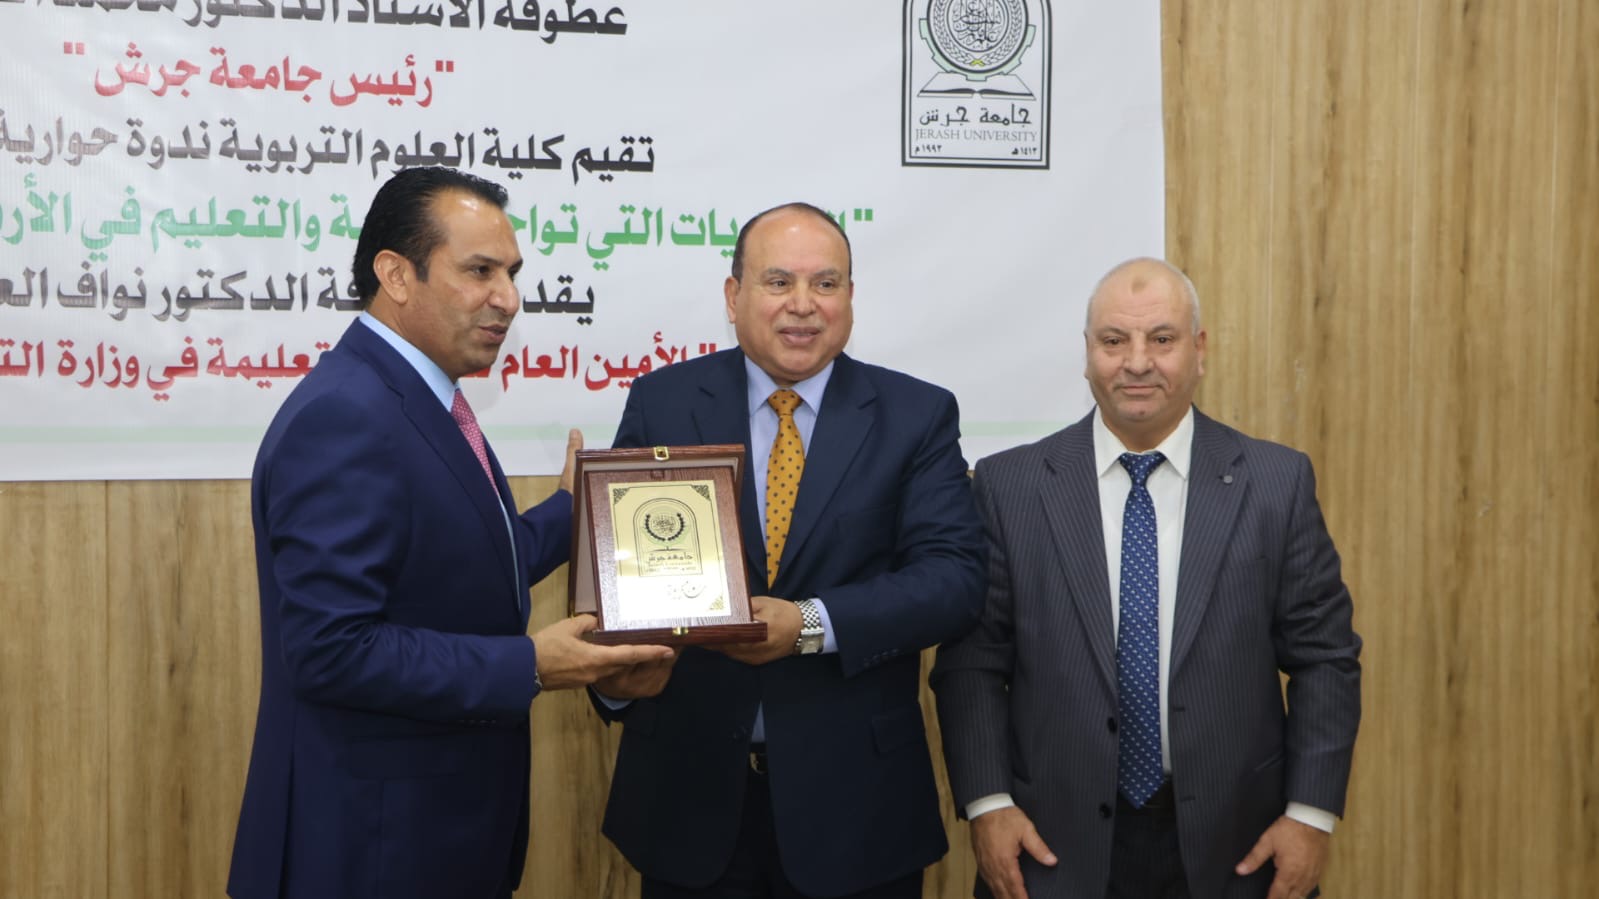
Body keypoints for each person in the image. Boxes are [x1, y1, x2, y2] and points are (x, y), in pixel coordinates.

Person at [227, 167, 671, 899]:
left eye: (511, 273)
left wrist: (573, 509)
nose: (508, 298)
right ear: (397, 275)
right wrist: (530, 663)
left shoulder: (419, 396)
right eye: (479, 271)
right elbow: (330, 650)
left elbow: (461, 566)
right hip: (371, 848)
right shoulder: (347, 415)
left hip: (430, 834)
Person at [590, 202, 987, 898]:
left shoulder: (915, 415)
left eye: (825, 283)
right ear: (733, 295)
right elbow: (622, 579)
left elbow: (952, 581)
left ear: (850, 297)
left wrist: (808, 622)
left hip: (858, 809)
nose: (802, 304)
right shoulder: (663, 402)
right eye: (778, 282)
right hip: (687, 798)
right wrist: (615, 681)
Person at [931, 257, 1362, 899]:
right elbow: (972, 664)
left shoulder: (1276, 484)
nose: (1137, 362)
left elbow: (1325, 658)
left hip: (1238, 848)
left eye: (1161, 339)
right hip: (1049, 848)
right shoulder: (1009, 486)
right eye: (1114, 341)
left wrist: (1310, 815)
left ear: (1199, 349)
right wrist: (988, 805)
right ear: (1087, 354)